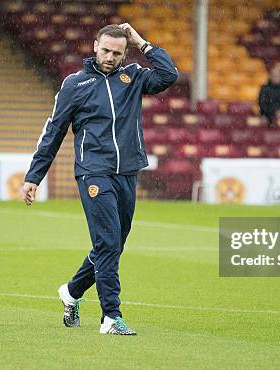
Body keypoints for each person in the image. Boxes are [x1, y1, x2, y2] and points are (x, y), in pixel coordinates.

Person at [22, 24, 178, 335]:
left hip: (127, 172)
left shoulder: (133, 77)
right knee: (108, 242)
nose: (109, 57)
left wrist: (141, 42)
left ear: (124, 53)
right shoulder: (74, 84)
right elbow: (53, 132)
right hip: (93, 172)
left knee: (113, 244)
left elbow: (168, 75)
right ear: (95, 46)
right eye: (105, 50)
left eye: (117, 52)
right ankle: (111, 317)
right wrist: (34, 176)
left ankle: (71, 291)